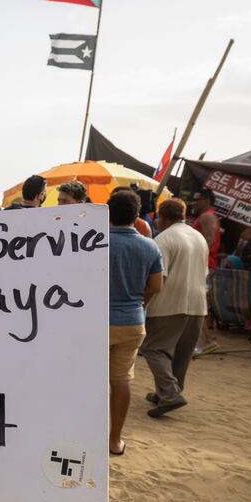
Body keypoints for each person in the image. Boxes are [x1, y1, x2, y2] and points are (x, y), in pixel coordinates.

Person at [140, 198, 209, 418]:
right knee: (182, 353)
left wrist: (144, 301)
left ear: (163, 217)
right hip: (197, 304)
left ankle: (170, 394)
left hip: (170, 303)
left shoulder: (164, 239)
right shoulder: (198, 237)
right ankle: (167, 392)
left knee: (154, 349)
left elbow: (159, 277)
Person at [107, 189, 163, 456]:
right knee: (120, 381)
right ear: (137, 215)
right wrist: (140, 302)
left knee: (88, 381)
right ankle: (115, 440)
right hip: (131, 321)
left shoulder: (96, 242)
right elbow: (156, 285)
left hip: (96, 322)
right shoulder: (150, 246)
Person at [188, 189, 221, 353]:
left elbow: (210, 240)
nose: (194, 203)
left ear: (207, 200)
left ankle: (206, 341)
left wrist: (195, 262)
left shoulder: (207, 216)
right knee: (196, 303)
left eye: (197, 199)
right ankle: (205, 340)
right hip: (203, 264)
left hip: (204, 265)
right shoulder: (206, 216)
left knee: (198, 303)